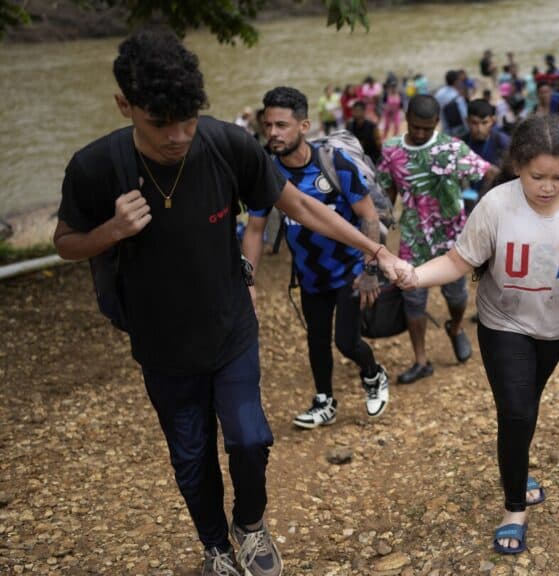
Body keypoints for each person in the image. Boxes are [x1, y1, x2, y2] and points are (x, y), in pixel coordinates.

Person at [53, 30, 402, 576]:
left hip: (231, 329)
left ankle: (250, 526)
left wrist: (375, 248)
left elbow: (303, 207)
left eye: (188, 120)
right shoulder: (95, 167)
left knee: (251, 438)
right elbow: (65, 242)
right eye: (159, 123)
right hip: (162, 344)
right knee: (191, 458)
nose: (177, 137)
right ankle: (215, 546)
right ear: (125, 106)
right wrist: (112, 230)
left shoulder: (224, 145)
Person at [394, 115, 559, 555]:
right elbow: (458, 262)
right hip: (502, 325)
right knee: (515, 412)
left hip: (555, 328)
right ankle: (514, 506)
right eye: (538, 176)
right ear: (518, 167)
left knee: (526, 409)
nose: (549, 186)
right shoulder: (497, 205)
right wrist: (413, 275)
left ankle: (515, 467)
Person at [242, 86, 391, 429]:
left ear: (305, 125)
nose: (273, 133)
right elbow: (254, 230)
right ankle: (324, 400)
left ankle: (373, 375)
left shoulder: (334, 165)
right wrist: (248, 279)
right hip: (310, 275)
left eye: (282, 125)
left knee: (346, 341)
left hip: (352, 270)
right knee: (317, 340)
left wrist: (370, 269)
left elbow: (368, 217)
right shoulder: (267, 174)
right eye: (268, 126)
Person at [377, 95, 494, 384]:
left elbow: (488, 172)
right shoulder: (391, 150)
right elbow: (387, 191)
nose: (419, 134)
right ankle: (420, 360)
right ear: (406, 116)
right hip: (413, 237)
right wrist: (379, 228)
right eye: (415, 126)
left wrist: (486, 209)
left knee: (456, 297)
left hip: (451, 238)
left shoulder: (451, 148)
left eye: (426, 129)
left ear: (436, 124)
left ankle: (454, 327)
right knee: (412, 297)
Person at [465, 98, 511, 213]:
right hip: (469, 204)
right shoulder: (461, 144)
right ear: (467, 121)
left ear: (493, 121)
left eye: (484, 123)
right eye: (474, 123)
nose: (479, 128)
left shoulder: (503, 142)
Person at [435, 69, 469, 139]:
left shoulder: (438, 94)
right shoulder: (457, 97)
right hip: (459, 133)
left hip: (446, 132)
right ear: (456, 81)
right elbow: (464, 115)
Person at [346, 100, 382, 164]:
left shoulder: (372, 126)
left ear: (364, 111)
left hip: (372, 158)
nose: (355, 113)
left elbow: (379, 144)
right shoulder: (349, 125)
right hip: (356, 158)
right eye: (353, 110)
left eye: (357, 111)